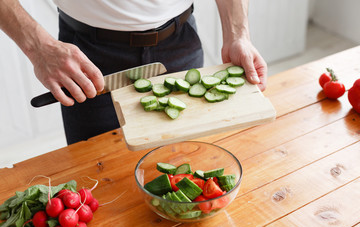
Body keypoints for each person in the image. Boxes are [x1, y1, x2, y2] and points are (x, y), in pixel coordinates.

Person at [0, 0, 267, 145]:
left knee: (186, 162)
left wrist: (237, 33)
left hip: (181, 40)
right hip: (87, 56)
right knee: (97, 172)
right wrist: (38, 46)